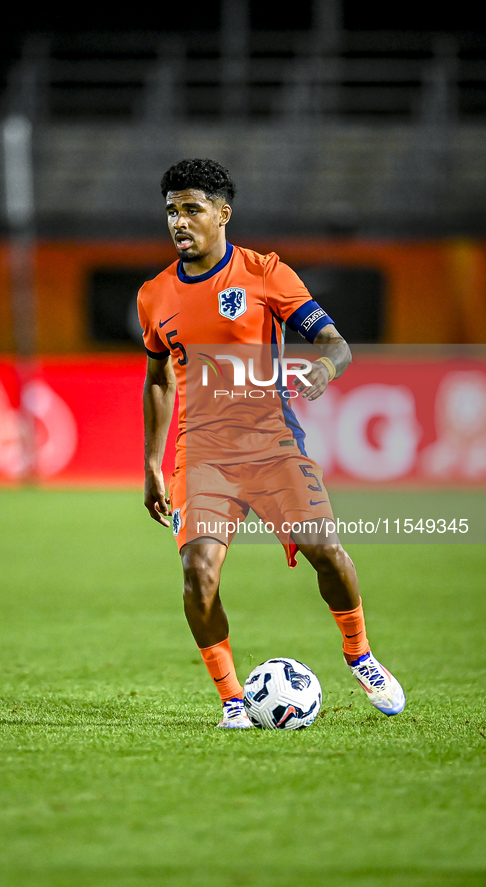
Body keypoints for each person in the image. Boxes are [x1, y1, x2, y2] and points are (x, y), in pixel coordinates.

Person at [138, 158, 405, 728]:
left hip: (273, 444)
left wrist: (325, 371)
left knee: (326, 552)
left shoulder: (266, 274)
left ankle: (360, 654)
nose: (179, 221)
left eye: (192, 209)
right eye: (170, 211)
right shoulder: (154, 296)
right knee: (199, 574)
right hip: (202, 453)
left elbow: (336, 344)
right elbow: (159, 377)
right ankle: (234, 701)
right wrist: (150, 464)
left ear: (223, 214)